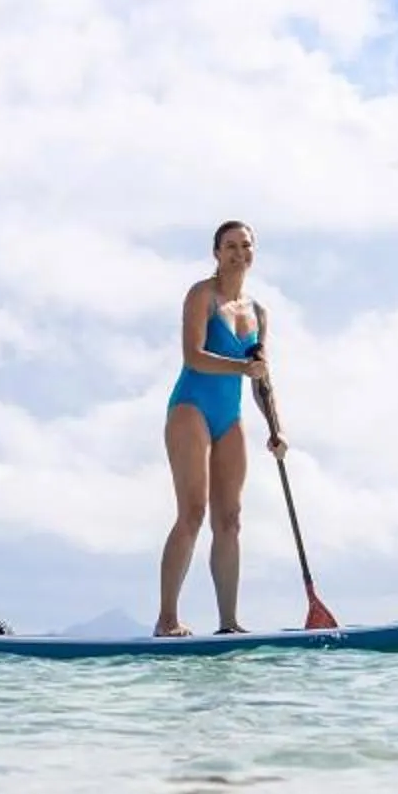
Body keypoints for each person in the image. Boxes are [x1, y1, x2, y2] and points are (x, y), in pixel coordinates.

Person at [157, 220, 283, 636]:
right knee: (192, 511)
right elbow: (194, 356)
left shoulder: (258, 313)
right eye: (230, 246)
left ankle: (229, 623)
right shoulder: (202, 295)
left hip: (229, 417)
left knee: (230, 518)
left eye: (245, 245)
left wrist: (275, 428)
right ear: (216, 253)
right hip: (190, 408)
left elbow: (261, 377)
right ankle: (167, 620)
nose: (238, 253)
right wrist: (244, 367)